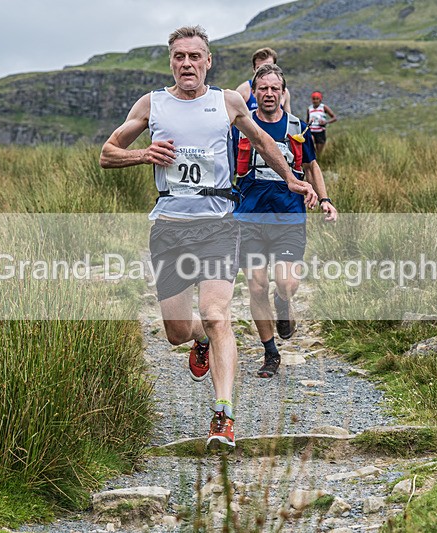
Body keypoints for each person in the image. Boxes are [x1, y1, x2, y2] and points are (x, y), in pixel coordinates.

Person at [99, 26, 317, 448]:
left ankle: (223, 415)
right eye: (179, 56)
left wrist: (291, 178)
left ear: (208, 61)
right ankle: (197, 339)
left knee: (218, 315)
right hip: (169, 226)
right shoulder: (152, 104)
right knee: (177, 330)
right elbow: (108, 153)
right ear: (171, 62)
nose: (187, 64)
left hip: (218, 223)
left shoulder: (227, 102)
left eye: (194, 56)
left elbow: (263, 141)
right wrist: (143, 154)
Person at [233, 64, 337, 378]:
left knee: (287, 283)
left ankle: (283, 302)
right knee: (256, 285)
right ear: (254, 92)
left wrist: (325, 199)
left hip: (289, 217)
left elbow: (312, 166)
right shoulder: (241, 126)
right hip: (250, 217)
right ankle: (270, 352)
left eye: (274, 89)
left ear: (283, 92)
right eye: (262, 88)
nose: (268, 94)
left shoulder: (297, 127)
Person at [235, 47, 292, 114]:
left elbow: (289, 117)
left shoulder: (284, 92)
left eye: (268, 67)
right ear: (254, 69)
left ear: (275, 67)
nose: (265, 72)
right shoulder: (243, 90)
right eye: (260, 69)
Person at [306, 91, 337, 155]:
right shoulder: (309, 108)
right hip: (311, 131)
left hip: (320, 132)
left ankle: (319, 159)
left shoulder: (323, 107)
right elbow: (307, 120)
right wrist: (306, 127)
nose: (315, 101)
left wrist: (326, 122)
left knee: (319, 152)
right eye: (314, 99)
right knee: (311, 147)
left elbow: (334, 118)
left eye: (317, 99)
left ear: (320, 99)